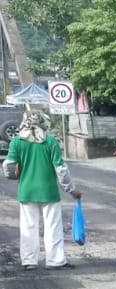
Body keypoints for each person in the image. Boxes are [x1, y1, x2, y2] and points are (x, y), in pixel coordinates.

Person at [4, 106, 80, 270]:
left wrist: (14, 176)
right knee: (53, 226)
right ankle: (55, 260)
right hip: (49, 191)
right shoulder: (50, 141)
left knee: (28, 227)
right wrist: (71, 190)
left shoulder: (17, 141)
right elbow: (61, 169)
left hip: (26, 190)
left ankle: (29, 261)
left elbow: (8, 165)